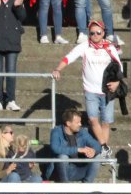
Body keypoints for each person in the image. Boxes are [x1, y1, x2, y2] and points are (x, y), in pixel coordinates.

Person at [51, 19, 121, 150]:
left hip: (108, 91)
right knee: (93, 119)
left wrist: (117, 82)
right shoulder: (84, 46)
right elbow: (69, 57)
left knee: (106, 122)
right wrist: (58, 69)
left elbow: (119, 67)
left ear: (103, 33)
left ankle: (104, 150)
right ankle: (104, 146)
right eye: (92, 33)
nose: (95, 35)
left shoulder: (110, 47)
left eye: (98, 32)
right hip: (90, 90)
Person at [49, 108, 102, 182]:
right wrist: (78, 149)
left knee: (98, 156)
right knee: (63, 157)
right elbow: (55, 148)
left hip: (78, 169)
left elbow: (97, 145)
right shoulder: (56, 131)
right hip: (59, 172)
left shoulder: (82, 132)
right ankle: (64, 185)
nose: (80, 124)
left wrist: (93, 151)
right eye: (77, 122)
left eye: (80, 122)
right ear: (68, 123)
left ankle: (87, 185)